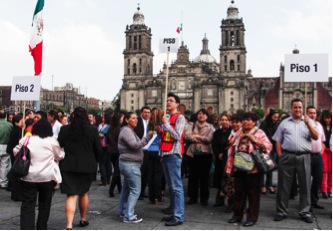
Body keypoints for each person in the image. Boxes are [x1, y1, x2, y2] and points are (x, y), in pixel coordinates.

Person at [13, 119, 65, 230]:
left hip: (28, 177)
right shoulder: (52, 141)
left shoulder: (26, 139)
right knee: (45, 205)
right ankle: (42, 227)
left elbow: (15, 151)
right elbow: (59, 156)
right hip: (47, 178)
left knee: (27, 206)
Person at [273, 99, 318, 224]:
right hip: (287, 156)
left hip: (304, 156)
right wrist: (280, 155)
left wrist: (309, 124)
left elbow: (316, 137)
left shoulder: (309, 122)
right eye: (295, 107)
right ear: (291, 108)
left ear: (302, 109)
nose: (298, 109)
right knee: (284, 185)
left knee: (305, 185)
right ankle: (281, 211)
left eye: (300, 107)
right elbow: (278, 140)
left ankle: (305, 211)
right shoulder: (284, 123)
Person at [58, 107, 102, 230]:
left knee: (71, 195)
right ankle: (83, 218)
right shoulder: (92, 130)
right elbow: (98, 149)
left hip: (68, 165)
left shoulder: (64, 129)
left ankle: (69, 225)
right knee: (83, 193)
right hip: (87, 165)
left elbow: (59, 144)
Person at [226, 112, 272, 227]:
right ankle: (237, 215)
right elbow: (232, 150)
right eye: (245, 119)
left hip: (253, 169)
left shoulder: (259, 132)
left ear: (254, 122)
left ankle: (252, 217)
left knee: (253, 194)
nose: (246, 122)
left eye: (249, 120)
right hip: (239, 167)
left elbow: (268, 147)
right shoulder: (239, 133)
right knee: (239, 193)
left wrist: (255, 140)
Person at [118, 112, 153, 223]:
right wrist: (148, 136)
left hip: (129, 163)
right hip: (130, 164)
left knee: (127, 189)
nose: (136, 120)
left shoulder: (128, 131)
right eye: (133, 118)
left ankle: (124, 211)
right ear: (127, 120)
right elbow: (134, 145)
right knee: (135, 190)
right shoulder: (126, 131)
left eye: (136, 118)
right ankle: (129, 216)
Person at [157, 92, 186, 226]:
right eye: (167, 100)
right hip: (166, 154)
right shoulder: (166, 117)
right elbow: (164, 137)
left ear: (177, 104)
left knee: (176, 186)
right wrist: (160, 130)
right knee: (171, 186)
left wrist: (166, 125)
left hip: (174, 154)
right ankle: (174, 212)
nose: (168, 102)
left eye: (171, 100)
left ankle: (178, 216)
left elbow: (177, 135)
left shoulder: (180, 118)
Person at [185, 109, 215, 206]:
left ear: (207, 116)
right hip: (192, 154)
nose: (201, 115)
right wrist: (199, 139)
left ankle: (204, 199)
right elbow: (187, 136)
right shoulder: (191, 124)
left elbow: (209, 139)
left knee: (204, 177)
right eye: (199, 114)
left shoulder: (210, 127)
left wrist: (196, 136)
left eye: (203, 114)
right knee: (193, 176)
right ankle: (193, 198)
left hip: (206, 154)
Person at [306, 106, 326, 209]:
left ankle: (314, 200)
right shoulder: (304, 125)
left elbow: (322, 141)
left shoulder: (319, 125)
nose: (312, 115)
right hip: (307, 155)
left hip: (318, 156)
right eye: (310, 113)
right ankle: (306, 202)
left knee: (318, 177)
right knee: (306, 180)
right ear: (306, 114)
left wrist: (322, 149)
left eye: (314, 113)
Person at [212, 113, 232, 207]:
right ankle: (219, 200)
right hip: (220, 159)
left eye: (226, 120)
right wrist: (218, 154)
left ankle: (231, 201)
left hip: (229, 159)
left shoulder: (232, 132)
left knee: (229, 180)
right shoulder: (217, 132)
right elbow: (214, 145)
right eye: (222, 120)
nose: (224, 122)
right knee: (221, 179)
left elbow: (231, 145)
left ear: (229, 121)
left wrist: (225, 153)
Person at [259, 109, 279, 194]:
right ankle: (262, 185)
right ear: (270, 116)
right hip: (264, 149)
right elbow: (261, 135)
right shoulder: (264, 124)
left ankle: (269, 184)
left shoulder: (276, 125)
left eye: (277, 117)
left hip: (273, 149)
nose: (275, 119)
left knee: (270, 168)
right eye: (274, 117)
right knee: (263, 167)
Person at [147, 108, 164, 205]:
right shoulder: (161, 125)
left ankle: (151, 197)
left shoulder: (149, 125)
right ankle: (158, 197)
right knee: (158, 175)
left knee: (151, 175)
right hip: (158, 151)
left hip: (149, 150)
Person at [134, 106, 151, 199]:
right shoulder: (137, 121)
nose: (147, 114)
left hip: (148, 149)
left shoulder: (151, 122)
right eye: (145, 112)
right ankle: (137, 191)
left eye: (148, 112)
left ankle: (143, 191)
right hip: (139, 148)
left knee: (146, 171)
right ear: (141, 113)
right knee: (139, 171)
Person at [6, 113, 25, 200]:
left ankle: (15, 193)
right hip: (16, 154)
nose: (23, 122)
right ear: (16, 122)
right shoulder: (18, 131)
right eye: (22, 121)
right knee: (18, 173)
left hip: (13, 153)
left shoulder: (16, 130)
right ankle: (17, 194)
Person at [107, 113, 124, 197]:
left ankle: (120, 187)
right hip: (118, 151)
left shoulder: (110, 128)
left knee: (116, 169)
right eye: (121, 119)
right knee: (117, 171)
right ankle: (111, 189)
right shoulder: (120, 129)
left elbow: (107, 140)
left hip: (110, 151)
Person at [320, 110, 332, 198]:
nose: (328, 120)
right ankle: (323, 190)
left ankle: (330, 189)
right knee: (324, 170)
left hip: (331, 150)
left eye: (329, 118)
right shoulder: (321, 127)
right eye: (326, 118)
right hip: (324, 150)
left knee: (331, 171)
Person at [97, 113, 112, 186]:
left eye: (103, 117)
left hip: (103, 145)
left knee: (102, 163)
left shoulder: (106, 126)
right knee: (107, 162)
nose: (102, 119)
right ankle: (108, 178)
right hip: (108, 146)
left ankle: (104, 179)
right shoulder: (110, 126)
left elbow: (102, 135)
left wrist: (98, 133)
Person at [0, 110, 13, 189]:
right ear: (5, 116)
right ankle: (3, 182)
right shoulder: (10, 125)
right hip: (6, 146)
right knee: (4, 165)